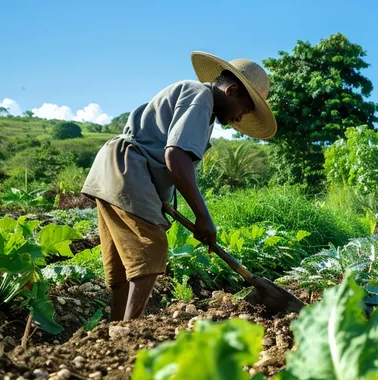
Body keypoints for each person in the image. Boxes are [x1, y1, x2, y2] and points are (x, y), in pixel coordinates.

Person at [81, 51, 277, 321]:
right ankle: (128, 331)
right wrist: (202, 216)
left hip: (111, 173)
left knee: (124, 266)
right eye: (245, 109)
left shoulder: (201, 105)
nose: (241, 118)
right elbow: (175, 156)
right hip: (128, 171)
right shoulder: (201, 97)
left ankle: (114, 329)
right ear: (231, 90)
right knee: (149, 252)